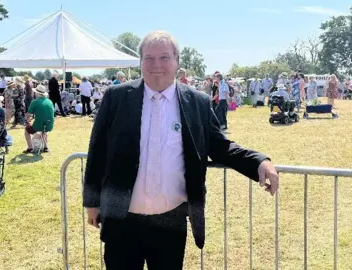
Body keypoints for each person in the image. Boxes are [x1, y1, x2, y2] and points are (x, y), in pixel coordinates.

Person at [83, 30, 279, 270]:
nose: (157, 65)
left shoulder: (197, 102)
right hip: (122, 219)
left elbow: (220, 147)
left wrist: (260, 161)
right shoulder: (116, 97)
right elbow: (97, 150)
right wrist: (91, 202)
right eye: (149, 58)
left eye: (164, 58)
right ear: (140, 62)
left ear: (177, 61)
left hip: (171, 220)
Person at [23, 85, 55, 153]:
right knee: (44, 130)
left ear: (37, 93)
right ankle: (45, 147)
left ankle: (30, 148)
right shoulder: (49, 101)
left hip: (39, 125)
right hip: (49, 125)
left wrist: (27, 120)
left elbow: (28, 115)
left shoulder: (35, 102)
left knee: (27, 130)